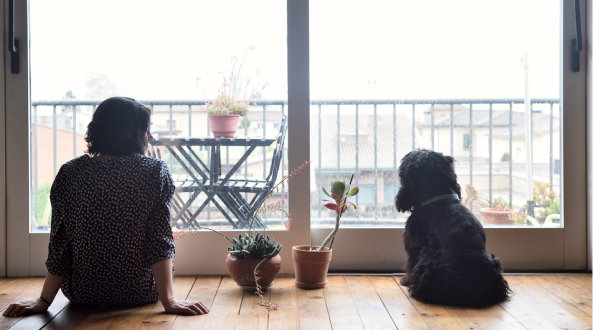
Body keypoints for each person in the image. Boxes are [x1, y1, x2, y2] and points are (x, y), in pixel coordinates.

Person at [3, 97, 208, 317]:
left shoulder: (70, 173)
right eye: (145, 130)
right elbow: (159, 240)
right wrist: (169, 301)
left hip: (82, 292)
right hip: (140, 291)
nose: (150, 137)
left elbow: (61, 244)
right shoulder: (154, 171)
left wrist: (44, 300)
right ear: (130, 133)